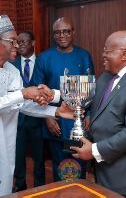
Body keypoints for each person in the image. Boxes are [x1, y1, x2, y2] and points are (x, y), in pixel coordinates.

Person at [0, 15, 75, 198]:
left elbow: (22, 105)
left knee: (2, 189)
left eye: (18, 42)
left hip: (4, 144)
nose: (17, 46)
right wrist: (23, 93)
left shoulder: (12, 70)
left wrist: (55, 110)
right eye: (12, 41)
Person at [71, 30, 126, 197]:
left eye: (107, 50)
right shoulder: (107, 75)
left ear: (124, 54)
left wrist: (94, 151)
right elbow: (85, 95)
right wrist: (54, 95)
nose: (103, 55)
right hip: (105, 171)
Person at [34, 17, 95, 182]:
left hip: (79, 122)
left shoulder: (84, 56)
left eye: (66, 31)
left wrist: (88, 114)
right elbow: (37, 91)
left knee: (78, 164)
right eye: (57, 32)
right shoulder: (44, 58)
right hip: (56, 124)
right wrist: (47, 116)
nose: (62, 35)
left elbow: (90, 88)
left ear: (73, 32)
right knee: (60, 166)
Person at [11, 31, 45, 192]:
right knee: (18, 155)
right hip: (17, 119)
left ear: (33, 43)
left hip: (38, 119)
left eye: (24, 41)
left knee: (39, 156)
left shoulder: (42, 61)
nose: (20, 45)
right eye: (18, 42)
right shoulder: (11, 64)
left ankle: (39, 186)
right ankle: (20, 184)